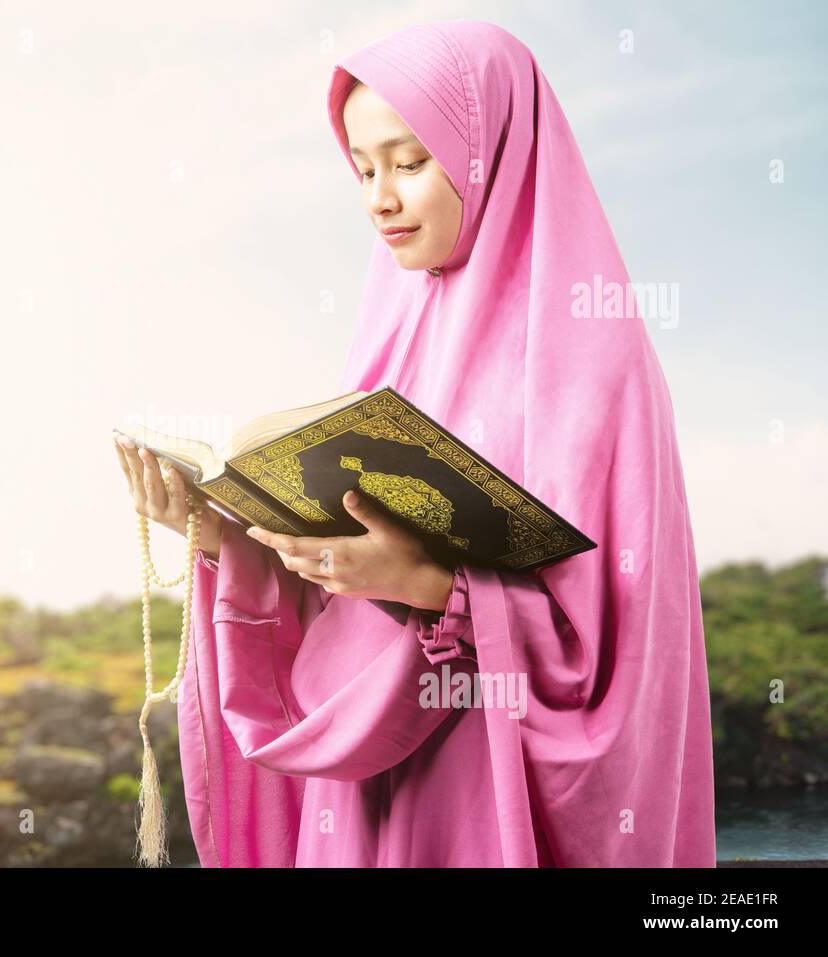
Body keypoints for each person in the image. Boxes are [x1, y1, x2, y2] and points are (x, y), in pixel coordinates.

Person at [112, 19, 715, 867]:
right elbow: (342, 581)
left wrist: (433, 586)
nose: (380, 199)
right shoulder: (394, 335)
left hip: (482, 793)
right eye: (362, 169)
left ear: (494, 148)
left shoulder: (596, 364)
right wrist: (221, 532)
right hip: (365, 794)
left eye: (410, 161)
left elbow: (620, 665)